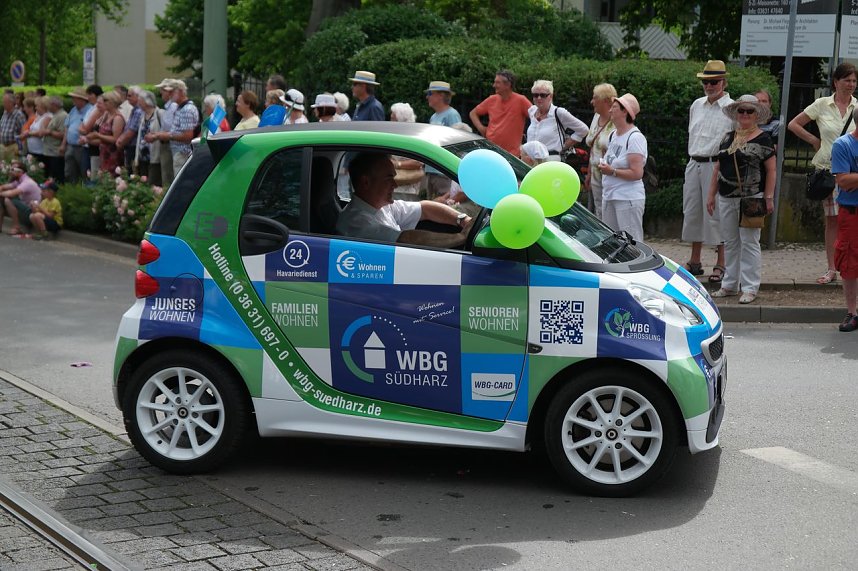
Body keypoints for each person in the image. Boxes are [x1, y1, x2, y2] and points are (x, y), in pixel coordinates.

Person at [788, 62, 858, 285]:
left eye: (854, 81)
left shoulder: (857, 106)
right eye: (847, 80)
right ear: (836, 82)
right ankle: (832, 268)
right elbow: (793, 124)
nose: (851, 85)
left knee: (851, 220)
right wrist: (813, 140)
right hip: (828, 171)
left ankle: (850, 264)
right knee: (833, 221)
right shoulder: (822, 104)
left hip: (851, 173)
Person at [705, 95, 776, 305]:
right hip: (726, 195)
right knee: (730, 242)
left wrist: (768, 197)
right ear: (736, 114)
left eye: (749, 111)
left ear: (756, 115)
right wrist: (711, 194)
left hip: (752, 196)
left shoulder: (763, 138)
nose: (745, 115)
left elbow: (771, 170)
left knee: (750, 242)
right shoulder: (727, 137)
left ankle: (750, 287)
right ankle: (729, 284)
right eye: (741, 111)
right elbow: (718, 167)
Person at [337, 152, 473, 247]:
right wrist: (461, 238)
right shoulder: (356, 222)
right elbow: (406, 239)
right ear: (366, 182)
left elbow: (424, 208)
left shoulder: (381, 207)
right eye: (388, 178)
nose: (395, 185)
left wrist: (463, 220)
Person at [681, 60, 733, 283]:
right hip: (695, 161)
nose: (709, 86)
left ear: (724, 82)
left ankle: (722, 263)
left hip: (716, 163)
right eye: (706, 82)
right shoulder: (696, 105)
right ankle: (695, 261)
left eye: (714, 82)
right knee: (693, 211)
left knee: (716, 213)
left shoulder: (731, 108)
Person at [597, 93, 647, 242]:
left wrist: (611, 171)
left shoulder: (635, 138)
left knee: (631, 242)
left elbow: (637, 173)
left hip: (627, 198)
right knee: (612, 241)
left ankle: (638, 266)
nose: (610, 111)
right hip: (610, 195)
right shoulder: (613, 134)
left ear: (625, 111)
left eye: (614, 107)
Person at [830, 106, 858, 331]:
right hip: (852, 212)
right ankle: (852, 312)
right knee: (849, 263)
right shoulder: (843, 145)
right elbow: (843, 181)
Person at [468, 70, 531, 156]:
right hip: (491, 151)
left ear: (507, 85)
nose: (494, 85)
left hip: (511, 155)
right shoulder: (492, 99)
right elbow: (473, 113)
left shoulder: (521, 101)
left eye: (497, 83)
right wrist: (481, 128)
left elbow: (536, 116)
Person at [526, 79, 588, 161]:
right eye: (535, 95)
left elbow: (583, 130)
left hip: (550, 159)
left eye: (543, 95)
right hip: (530, 160)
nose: (539, 98)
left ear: (550, 96)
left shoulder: (559, 113)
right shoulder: (532, 111)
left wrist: (564, 146)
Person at [585, 83, 618, 220]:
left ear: (605, 100)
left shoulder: (616, 120)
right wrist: (588, 172)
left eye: (595, 98)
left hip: (611, 174)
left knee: (609, 210)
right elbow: (593, 147)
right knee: (599, 210)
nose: (592, 102)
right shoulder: (595, 117)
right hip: (595, 172)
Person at [425, 81, 462, 198]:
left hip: (443, 171)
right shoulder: (434, 116)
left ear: (441, 95)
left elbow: (456, 144)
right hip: (432, 168)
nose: (427, 96)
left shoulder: (452, 115)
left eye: (430, 93)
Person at [160, 80, 198, 173]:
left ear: (180, 92)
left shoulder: (186, 109)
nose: (169, 94)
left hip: (183, 154)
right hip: (180, 153)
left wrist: (168, 136)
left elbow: (188, 136)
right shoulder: (181, 107)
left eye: (171, 92)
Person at [390, 103, 424, 201]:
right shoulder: (394, 136)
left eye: (393, 119)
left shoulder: (414, 137)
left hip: (408, 189)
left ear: (401, 120)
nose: (390, 121)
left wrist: (397, 164)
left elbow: (418, 162)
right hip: (394, 185)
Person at [87, 92, 125, 174]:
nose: (103, 102)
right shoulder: (107, 114)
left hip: (113, 154)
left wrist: (97, 135)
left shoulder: (117, 118)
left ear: (112, 102)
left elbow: (115, 139)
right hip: (103, 153)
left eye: (105, 100)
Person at [148, 79, 176, 186]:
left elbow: (171, 131)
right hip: (166, 145)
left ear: (169, 92)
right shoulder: (169, 107)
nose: (161, 93)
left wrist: (156, 135)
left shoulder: (173, 107)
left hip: (169, 145)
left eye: (162, 90)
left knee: (168, 178)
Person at [0, 161, 41, 235]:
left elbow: (11, 193)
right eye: (10, 169)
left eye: (13, 170)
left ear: (20, 172)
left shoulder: (27, 182)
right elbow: (4, 187)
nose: (10, 172)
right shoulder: (19, 180)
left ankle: (16, 227)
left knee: (7, 200)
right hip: (27, 210)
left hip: (33, 213)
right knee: (2, 199)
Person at [61, 88, 92, 183]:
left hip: (82, 147)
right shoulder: (73, 110)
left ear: (82, 99)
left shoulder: (90, 110)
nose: (73, 100)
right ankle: (72, 190)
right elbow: (67, 126)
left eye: (75, 98)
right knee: (69, 171)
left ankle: (83, 192)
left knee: (83, 171)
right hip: (70, 146)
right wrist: (63, 144)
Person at [136, 90, 162, 186]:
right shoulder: (142, 116)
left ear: (147, 101)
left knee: (153, 182)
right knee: (143, 181)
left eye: (140, 100)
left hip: (154, 155)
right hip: (143, 155)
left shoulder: (159, 114)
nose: (138, 103)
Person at [39, 96, 67, 183]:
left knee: (57, 176)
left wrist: (50, 132)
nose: (48, 107)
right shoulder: (55, 115)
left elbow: (63, 134)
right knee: (50, 176)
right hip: (49, 151)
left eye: (49, 105)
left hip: (56, 152)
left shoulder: (62, 116)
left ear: (54, 105)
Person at [117, 87, 143, 172]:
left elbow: (131, 132)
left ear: (138, 96)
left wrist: (121, 142)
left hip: (133, 147)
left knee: (132, 172)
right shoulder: (134, 109)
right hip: (129, 146)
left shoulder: (138, 111)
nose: (127, 98)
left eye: (130, 96)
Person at [23, 96, 51, 164]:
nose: (35, 108)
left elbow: (41, 133)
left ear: (43, 106)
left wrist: (29, 133)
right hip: (32, 150)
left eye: (37, 106)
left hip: (40, 151)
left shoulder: (47, 117)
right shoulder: (38, 116)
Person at [0, 92, 25, 162]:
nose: (3, 104)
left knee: (12, 168)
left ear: (11, 103)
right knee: (3, 169)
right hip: (3, 146)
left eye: (5, 102)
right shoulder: (4, 113)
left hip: (13, 146)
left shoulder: (19, 115)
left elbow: (23, 131)